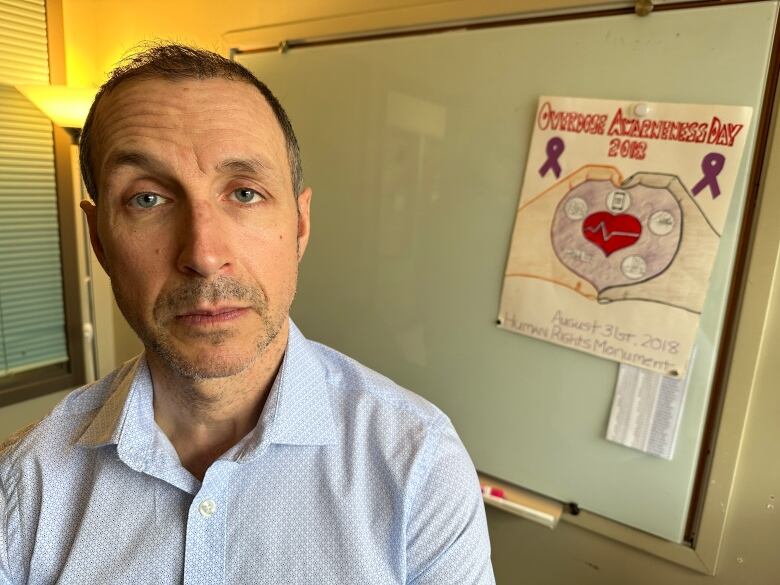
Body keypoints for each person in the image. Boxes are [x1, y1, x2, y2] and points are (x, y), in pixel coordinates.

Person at [0, 44, 495, 584]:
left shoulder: (419, 464)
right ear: (98, 239)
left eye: (244, 192)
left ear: (300, 226)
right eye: (147, 199)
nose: (204, 254)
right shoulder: (25, 483)